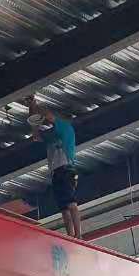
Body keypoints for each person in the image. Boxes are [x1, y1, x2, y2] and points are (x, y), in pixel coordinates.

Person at [26, 95, 81, 238]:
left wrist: (34, 105)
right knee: (64, 208)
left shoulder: (66, 128)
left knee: (71, 204)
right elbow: (36, 134)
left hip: (66, 170)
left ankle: (79, 235)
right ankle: (71, 236)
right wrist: (31, 109)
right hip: (56, 173)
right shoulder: (51, 136)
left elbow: (48, 115)